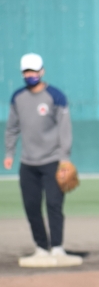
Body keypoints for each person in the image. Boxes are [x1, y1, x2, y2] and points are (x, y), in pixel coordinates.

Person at [4, 52, 81, 267]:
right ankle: (41, 248)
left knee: (54, 204)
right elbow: (12, 128)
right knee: (31, 205)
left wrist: (65, 159)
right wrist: (10, 153)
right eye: (27, 71)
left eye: (34, 71)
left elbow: (65, 130)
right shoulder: (17, 97)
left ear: (42, 71)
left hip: (53, 161)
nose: (30, 75)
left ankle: (57, 248)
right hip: (28, 163)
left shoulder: (56, 96)